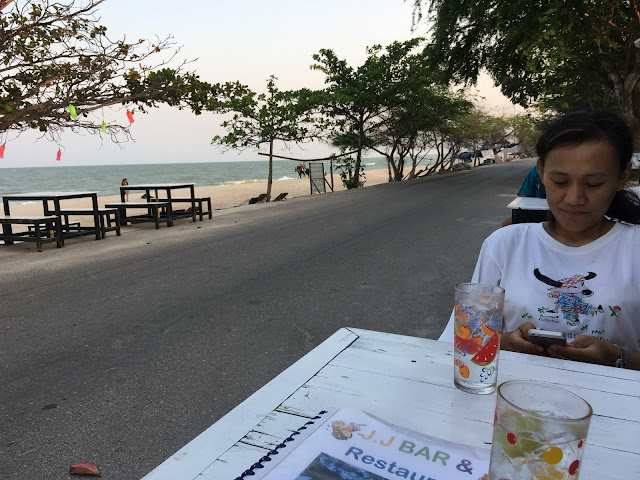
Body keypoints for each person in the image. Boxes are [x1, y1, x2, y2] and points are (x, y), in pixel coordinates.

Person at [472, 111, 640, 370]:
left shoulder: (634, 247)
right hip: (514, 392)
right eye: (560, 181)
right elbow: (470, 339)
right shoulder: (504, 245)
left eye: (594, 184)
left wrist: (617, 357)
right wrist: (506, 342)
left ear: (622, 176)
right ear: (541, 171)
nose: (574, 198)